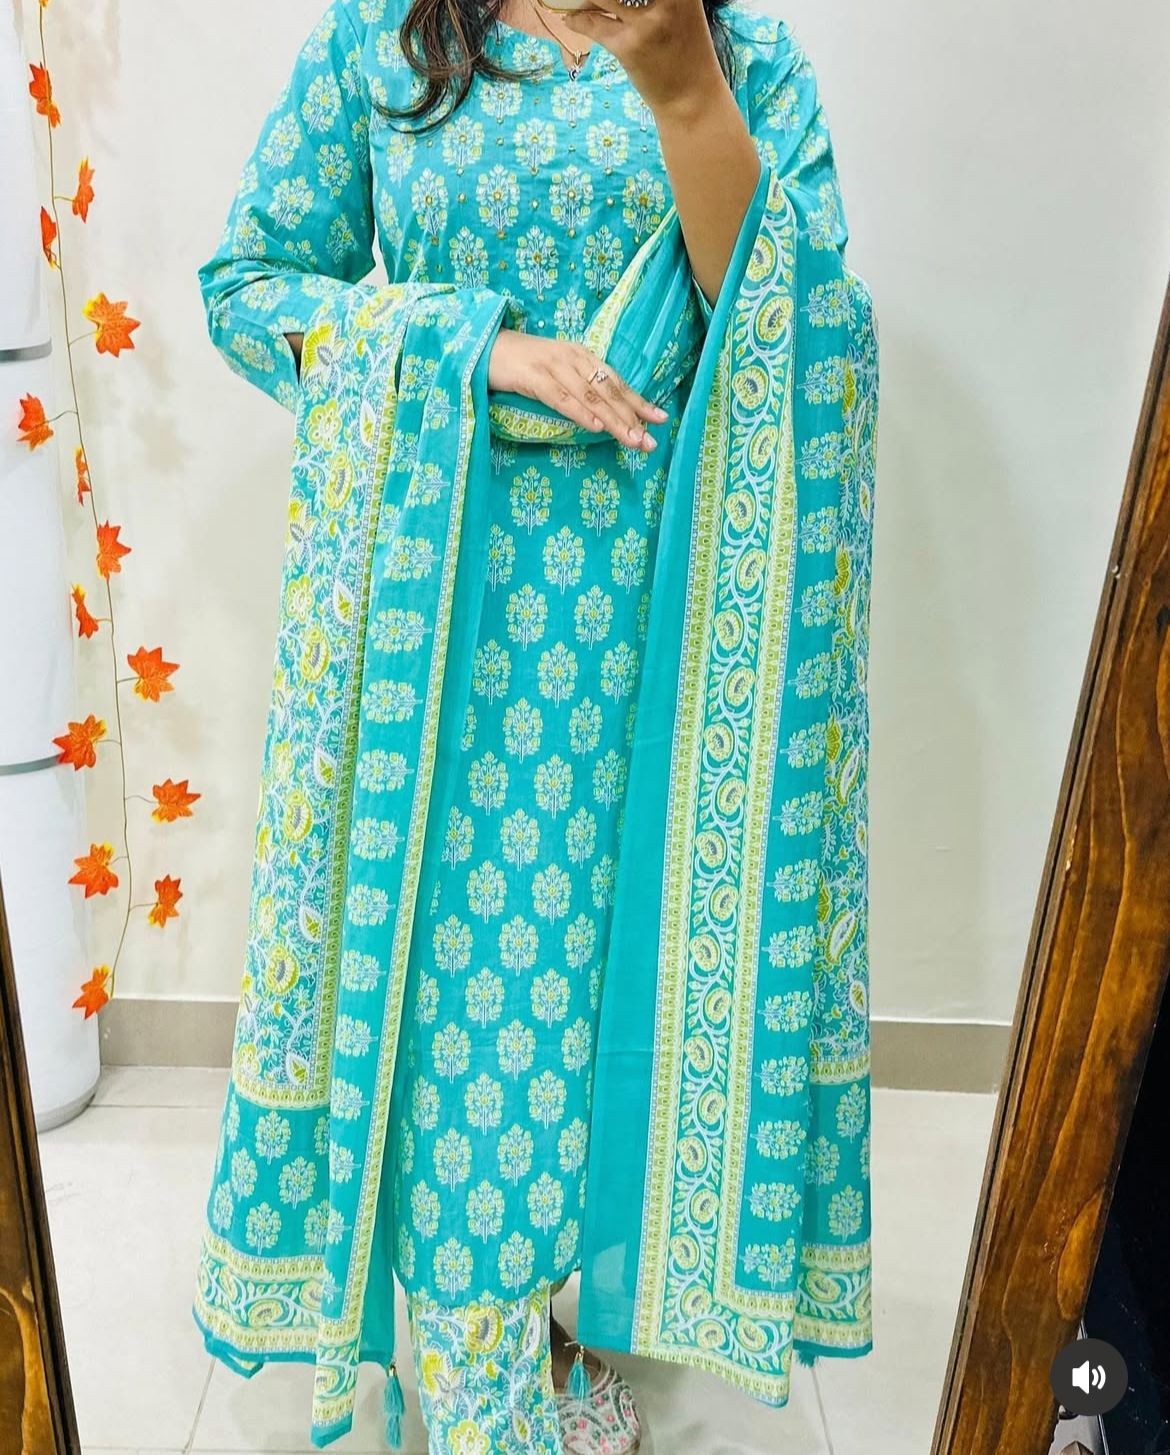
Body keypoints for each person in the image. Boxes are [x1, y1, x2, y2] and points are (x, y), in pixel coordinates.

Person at [190, 1, 879, 1452]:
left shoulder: (741, 58)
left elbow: (797, 335)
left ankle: (539, 1327)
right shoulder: (387, 38)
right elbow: (248, 286)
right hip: (448, 632)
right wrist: (473, 347)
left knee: (597, 1008)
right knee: (468, 1005)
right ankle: (482, 1390)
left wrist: (684, 92)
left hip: (672, 634)